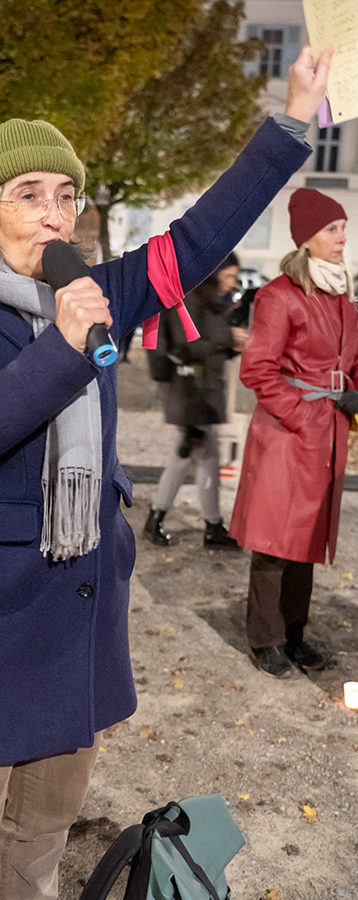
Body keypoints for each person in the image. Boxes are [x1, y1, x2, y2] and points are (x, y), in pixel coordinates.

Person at [0, 47, 331, 900]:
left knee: (41, 836)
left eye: (68, 196)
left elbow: (201, 235)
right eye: (30, 195)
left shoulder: (103, 289)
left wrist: (288, 122)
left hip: (74, 613)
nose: (57, 215)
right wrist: (61, 347)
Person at [229, 187, 358, 679]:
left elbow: (351, 361)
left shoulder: (342, 296)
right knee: (276, 542)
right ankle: (265, 639)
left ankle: (295, 633)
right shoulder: (279, 296)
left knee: (306, 540)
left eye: (343, 228)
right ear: (307, 239)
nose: (342, 238)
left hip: (327, 435)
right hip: (287, 434)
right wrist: (306, 416)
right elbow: (258, 370)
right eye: (332, 229)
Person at [143, 253, 247, 548]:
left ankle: (169, 519)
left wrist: (231, 344)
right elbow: (187, 345)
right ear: (215, 274)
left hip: (203, 390)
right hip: (192, 390)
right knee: (196, 456)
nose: (231, 283)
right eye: (228, 276)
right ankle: (206, 526)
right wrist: (228, 337)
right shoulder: (191, 299)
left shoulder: (209, 301)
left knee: (193, 455)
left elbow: (212, 346)